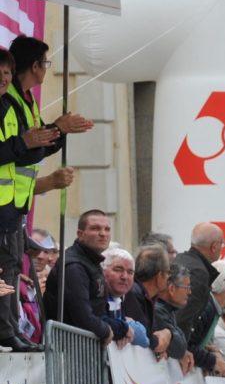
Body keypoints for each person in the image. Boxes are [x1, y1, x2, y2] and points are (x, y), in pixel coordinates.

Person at [2, 38, 92, 351]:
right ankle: (8, 332)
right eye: (45, 63)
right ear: (35, 65)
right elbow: (25, 149)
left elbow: (35, 148)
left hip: (17, 204)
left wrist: (60, 131)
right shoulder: (9, 100)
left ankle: (12, 330)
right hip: (6, 204)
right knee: (7, 269)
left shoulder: (26, 99)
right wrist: (55, 129)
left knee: (12, 268)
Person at [42, 209, 130, 347]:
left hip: (81, 348)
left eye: (107, 229)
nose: (103, 234)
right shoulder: (74, 266)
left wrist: (120, 327)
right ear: (80, 234)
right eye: (95, 228)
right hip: (68, 349)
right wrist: (107, 331)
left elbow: (98, 309)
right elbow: (82, 316)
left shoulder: (90, 261)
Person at [173, 222, 225, 333]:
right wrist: (183, 348)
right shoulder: (199, 273)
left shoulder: (178, 258)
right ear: (214, 247)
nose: (222, 248)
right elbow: (184, 316)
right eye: (222, 244)